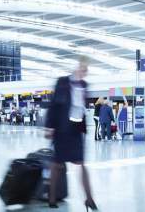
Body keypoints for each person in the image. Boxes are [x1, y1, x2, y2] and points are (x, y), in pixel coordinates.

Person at [45, 56, 96, 210]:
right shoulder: (62, 82)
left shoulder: (85, 85)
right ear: (76, 67)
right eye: (82, 68)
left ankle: (89, 199)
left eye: (86, 70)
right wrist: (49, 127)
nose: (84, 72)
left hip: (76, 130)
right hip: (61, 129)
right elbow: (53, 105)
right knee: (56, 164)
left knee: (81, 164)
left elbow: (81, 107)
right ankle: (52, 198)